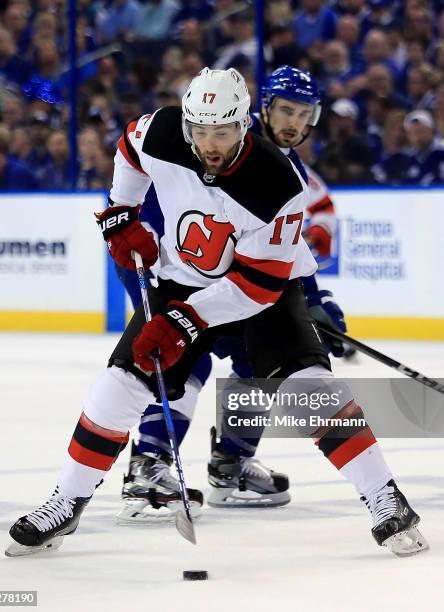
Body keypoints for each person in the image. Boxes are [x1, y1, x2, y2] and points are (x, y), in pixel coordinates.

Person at [7, 68, 427, 558]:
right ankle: (68, 499)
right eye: (201, 131)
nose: (210, 143)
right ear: (187, 124)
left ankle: (383, 496)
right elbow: (129, 148)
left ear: (244, 125)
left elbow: (257, 283)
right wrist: (122, 211)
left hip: (261, 293)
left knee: (312, 388)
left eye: (222, 132)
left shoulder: (278, 182)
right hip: (180, 280)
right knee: (114, 389)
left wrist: (185, 320)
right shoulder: (163, 130)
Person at [118, 66, 345, 521]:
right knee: (186, 351)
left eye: (303, 114)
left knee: (258, 359)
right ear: (259, 108)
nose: (293, 123)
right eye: (285, 109)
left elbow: (284, 244)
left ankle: (232, 462)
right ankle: (150, 462)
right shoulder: (224, 137)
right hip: (169, 260)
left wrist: (312, 300)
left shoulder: (283, 165)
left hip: (229, 273)